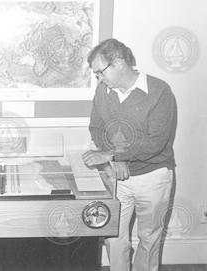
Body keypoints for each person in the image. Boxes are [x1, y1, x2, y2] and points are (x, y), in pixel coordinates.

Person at [82, 38, 177, 271]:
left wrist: (113, 155)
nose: (98, 79)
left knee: (149, 238)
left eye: (100, 72)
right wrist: (115, 159)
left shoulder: (159, 90)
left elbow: (156, 142)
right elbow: (96, 128)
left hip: (153, 178)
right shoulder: (103, 91)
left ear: (119, 62)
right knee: (113, 236)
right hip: (118, 178)